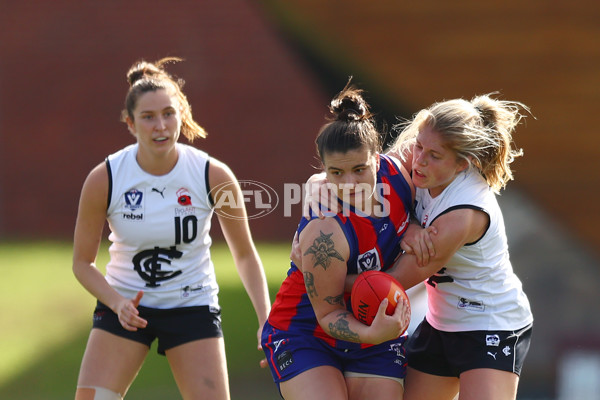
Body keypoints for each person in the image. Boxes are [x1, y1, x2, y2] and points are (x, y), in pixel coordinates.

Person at [72, 57, 271, 400]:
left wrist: (266, 319)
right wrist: (116, 302)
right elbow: (81, 263)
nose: (160, 126)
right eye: (148, 117)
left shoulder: (213, 175)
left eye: (168, 114)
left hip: (191, 303)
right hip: (126, 302)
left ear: (182, 114)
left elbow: (245, 254)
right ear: (130, 124)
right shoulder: (105, 178)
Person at [261, 83, 416, 400]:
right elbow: (329, 313)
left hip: (375, 323)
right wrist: (371, 333)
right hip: (306, 331)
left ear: (377, 159)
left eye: (360, 169)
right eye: (336, 173)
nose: (350, 183)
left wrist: (413, 227)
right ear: (324, 171)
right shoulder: (324, 229)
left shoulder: (402, 179)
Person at [387, 93, 534, 400]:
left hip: (491, 325)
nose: (419, 160)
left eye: (434, 155)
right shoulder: (417, 161)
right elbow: (357, 181)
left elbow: (396, 281)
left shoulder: (463, 213)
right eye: (418, 146)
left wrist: (327, 290)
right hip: (441, 323)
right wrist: (410, 227)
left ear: (462, 164)